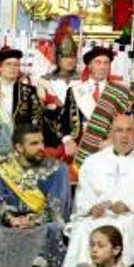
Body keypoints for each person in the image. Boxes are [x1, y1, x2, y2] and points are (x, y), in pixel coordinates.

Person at [0, 123, 71, 267]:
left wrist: (33, 220)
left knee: (52, 229)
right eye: (34, 144)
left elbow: (57, 206)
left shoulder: (58, 169)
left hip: (42, 221)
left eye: (41, 142)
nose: (41, 147)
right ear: (19, 147)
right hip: (11, 221)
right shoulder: (3, 169)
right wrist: (11, 219)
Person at [61, 112, 134, 267]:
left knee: (118, 230)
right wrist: (91, 209)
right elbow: (84, 194)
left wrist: (128, 206)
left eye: (129, 130)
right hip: (96, 217)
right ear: (111, 134)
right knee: (83, 230)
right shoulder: (93, 161)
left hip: (128, 218)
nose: (124, 136)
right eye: (119, 130)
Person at [60, 46, 134, 167]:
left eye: (107, 63)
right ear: (89, 66)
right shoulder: (75, 90)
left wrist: (112, 141)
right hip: (81, 145)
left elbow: (130, 123)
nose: (103, 66)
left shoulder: (121, 92)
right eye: (98, 62)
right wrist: (68, 140)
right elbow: (64, 120)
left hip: (111, 144)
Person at [39, 16, 81, 159]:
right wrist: (65, 139)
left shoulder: (83, 81)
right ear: (58, 58)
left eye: (73, 56)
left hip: (80, 134)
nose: (70, 60)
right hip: (52, 136)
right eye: (65, 56)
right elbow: (43, 113)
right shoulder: (44, 81)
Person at [0, 47, 42, 129]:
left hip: (19, 138)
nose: (12, 68)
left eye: (16, 65)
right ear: (0, 68)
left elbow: (36, 117)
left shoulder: (29, 91)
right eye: (8, 64)